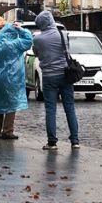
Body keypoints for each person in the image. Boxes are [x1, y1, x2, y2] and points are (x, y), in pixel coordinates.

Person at [32, 10, 80, 150]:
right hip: (65, 75)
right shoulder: (63, 35)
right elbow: (67, 50)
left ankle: (52, 142)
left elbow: (36, 53)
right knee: (70, 108)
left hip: (48, 77)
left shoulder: (38, 39)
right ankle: (75, 141)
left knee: (50, 109)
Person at [0, 23, 32, 140]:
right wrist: (21, 29)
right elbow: (29, 40)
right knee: (11, 104)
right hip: (12, 79)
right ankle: (7, 131)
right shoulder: (16, 44)